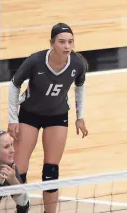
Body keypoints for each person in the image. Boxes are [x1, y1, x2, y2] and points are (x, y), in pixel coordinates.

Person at [7, 23, 89, 213]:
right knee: (20, 170)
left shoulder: (77, 64)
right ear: (52, 43)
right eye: (62, 42)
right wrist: (13, 119)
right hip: (29, 115)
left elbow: (80, 86)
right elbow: (14, 84)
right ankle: (22, 209)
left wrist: (80, 117)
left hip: (57, 116)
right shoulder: (35, 61)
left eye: (70, 42)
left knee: (51, 171)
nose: (67, 46)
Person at [0, 130, 30, 213]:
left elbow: (24, 203)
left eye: (12, 144)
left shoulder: (10, 167)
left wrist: (13, 181)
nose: (13, 150)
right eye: (6, 147)